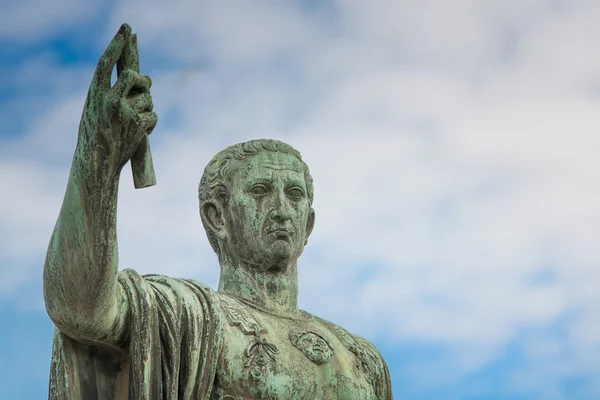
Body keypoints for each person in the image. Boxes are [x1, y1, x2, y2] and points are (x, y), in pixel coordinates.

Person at [43, 24, 392, 400]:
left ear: (308, 225)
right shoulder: (187, 316)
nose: (280, 210)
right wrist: (98, 157)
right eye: (260, 191)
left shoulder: (361, 358)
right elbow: (81, 311)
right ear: (217, 217)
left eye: (294, 195)